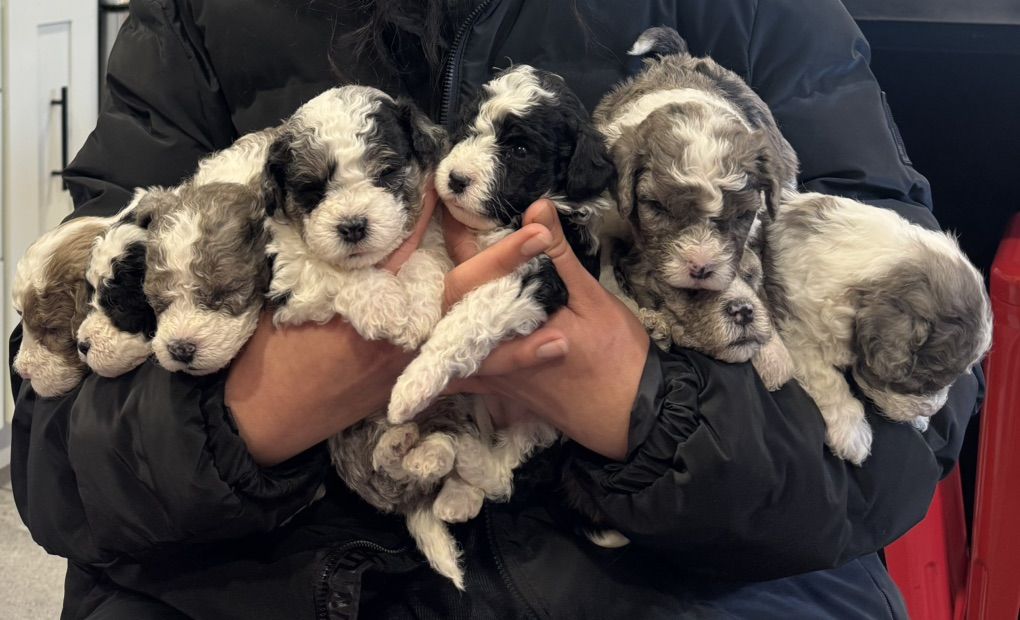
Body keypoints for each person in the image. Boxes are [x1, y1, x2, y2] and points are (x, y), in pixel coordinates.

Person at [10, 1, 982, 618]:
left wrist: (639, 403)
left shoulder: (760, 18)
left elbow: (927, 377)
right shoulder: (195, 27)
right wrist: (292, 385)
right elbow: (57, 448)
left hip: (690, 565)